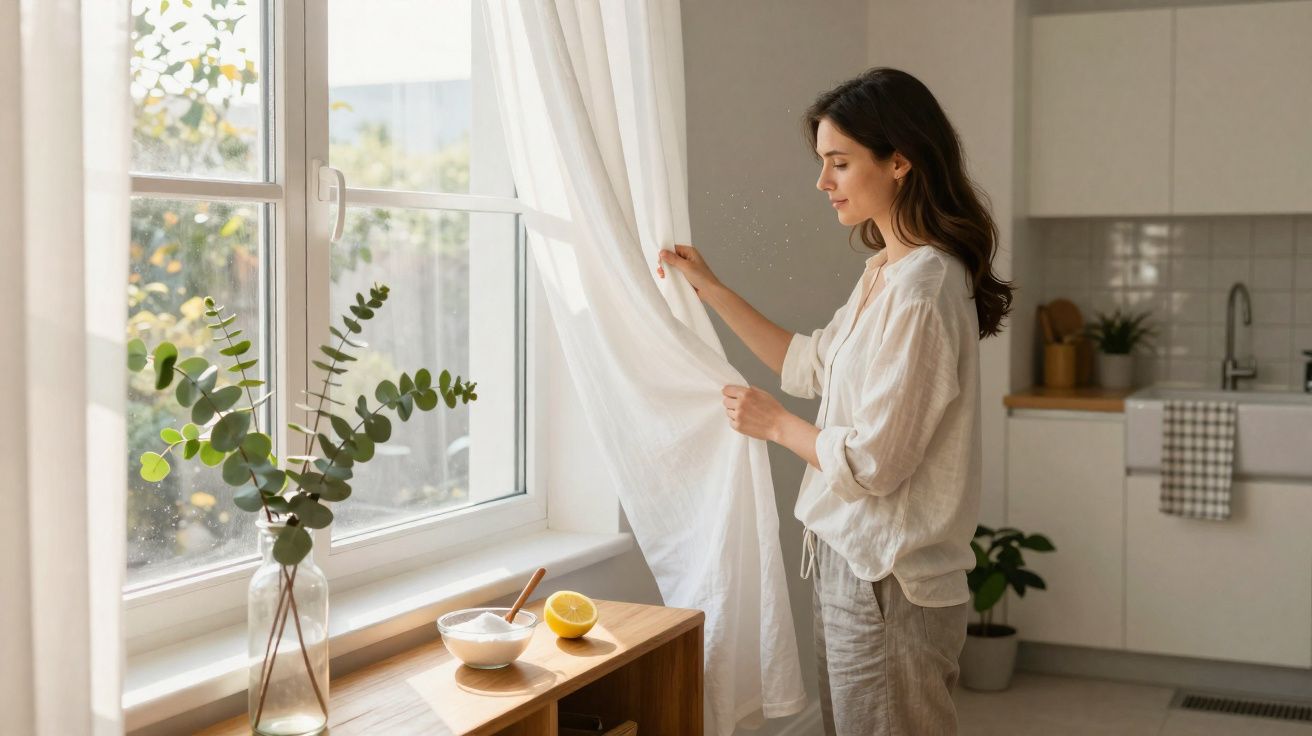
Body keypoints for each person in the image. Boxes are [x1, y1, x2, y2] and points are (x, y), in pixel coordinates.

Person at [657, 67, 1012, 735]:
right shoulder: (885, 271)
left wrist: (775, 425)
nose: (823, 183)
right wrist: (709, 288)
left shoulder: (923, 289)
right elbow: (809, 361)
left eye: (839, 163)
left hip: (890, 582)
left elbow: (876, 461)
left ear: (900, 159)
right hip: (851, 566)